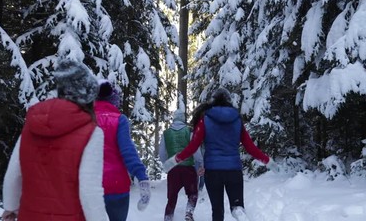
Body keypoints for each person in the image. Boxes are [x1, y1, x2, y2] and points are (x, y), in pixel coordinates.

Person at [2, 60, 109, 221]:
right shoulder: (91, 133)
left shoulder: (32, 124)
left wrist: (10, 207)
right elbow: (89, 191)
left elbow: (13, 174)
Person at [163, 87, 280, 221]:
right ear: (229, 101)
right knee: (237, 206)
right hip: (233, 171)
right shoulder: (237, 121)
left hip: (213, 172)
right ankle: (238, 212)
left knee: (217, 211)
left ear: (213, 101)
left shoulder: (205, 120)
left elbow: (192, 147)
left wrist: (174, 160)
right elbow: (250, 148)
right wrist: (268, 161)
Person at [94, 79, 151, 221]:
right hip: (117, 186)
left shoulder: (84, 119)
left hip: (91, 185)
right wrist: (142, 176)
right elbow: (128, 151)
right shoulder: (120, 120)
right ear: (113, 100)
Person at [159, 109, 203, 221]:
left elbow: (162, 153)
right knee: (192, 193)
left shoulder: (166, 133)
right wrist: (201, 163)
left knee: (172, 197)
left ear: (174, 119)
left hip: (173, 169)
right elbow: (196, 151)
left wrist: (167, 165)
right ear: (183, 119)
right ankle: (189, 214)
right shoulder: (189, 132)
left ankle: (168, 217)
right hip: (188, 169)